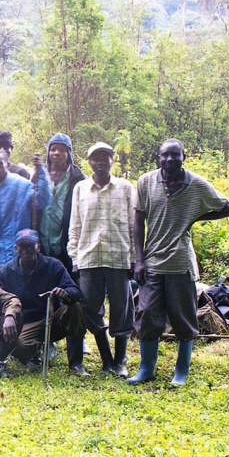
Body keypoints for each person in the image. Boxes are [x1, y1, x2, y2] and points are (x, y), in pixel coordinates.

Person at [129, 138, 229, 386]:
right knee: (147, 316)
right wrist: (139, 260)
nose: (169, 159)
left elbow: (228, 207)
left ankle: (181, 372)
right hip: (152, 262)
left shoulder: (196, 184)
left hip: (180, 263)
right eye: (165, 155)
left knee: (183, 318)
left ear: (183, 157)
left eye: (175, 155)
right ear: (158, 157)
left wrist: (196, 217)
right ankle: (147, 369)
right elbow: (137, 221)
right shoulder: (146, 181)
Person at [67, 142, 136, 377]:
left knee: (121, 310)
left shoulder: (126, 188)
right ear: (89, 162)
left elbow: (133, 225)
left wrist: (134, 258)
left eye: (105, 157)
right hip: (89, 258)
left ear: (112, 160)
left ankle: (120, 362)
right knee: (90, 312)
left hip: (118, 257)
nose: (100, 161)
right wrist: (74, 256)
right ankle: (106, 358)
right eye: (95, 158)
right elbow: (75, 224)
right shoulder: (81, 189)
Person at [0, 229, 88, 375]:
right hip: (25, 323)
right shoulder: (6, 271)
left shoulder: (53, 265)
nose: (26, 250)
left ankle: (76, 364)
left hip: (52, 318)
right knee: (20, 347)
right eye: (22, 246)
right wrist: (10, 316)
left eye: (30, 246)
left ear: (38, 246)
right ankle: (33, 353)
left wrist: (65, 293)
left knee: (75, 307)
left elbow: (76, 291)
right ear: (16, 248)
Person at [0, 150, 50, 279]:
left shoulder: (22, 185)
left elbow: (42, 201)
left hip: (17, 257)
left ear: (7, 164)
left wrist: (41, 173)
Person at [38, 133, 87, 275]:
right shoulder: (40, 174)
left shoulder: (78, 178)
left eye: (62, 149)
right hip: (42, 239)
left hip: (65, 238)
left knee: (66, 280)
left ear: (69, 153)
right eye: (53, 149)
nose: (57, 153)